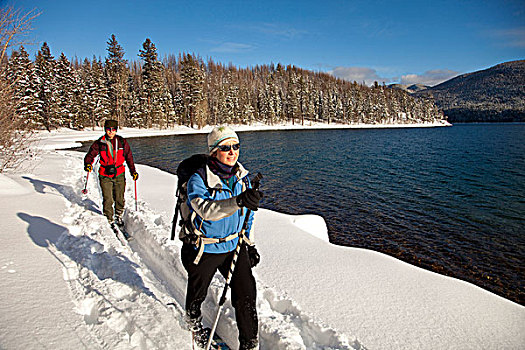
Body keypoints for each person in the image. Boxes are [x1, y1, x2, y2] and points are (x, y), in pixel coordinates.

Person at [181, 126, 263, 350]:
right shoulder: (198, 180)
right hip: (205, 247)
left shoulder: (241, 178)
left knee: (246, 296)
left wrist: (250, 244)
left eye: (236, 146)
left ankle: (249, 344)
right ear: (213, 152)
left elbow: (248, 216)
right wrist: (238, 201)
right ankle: (194, 323)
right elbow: (206, 210)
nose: (232, 152)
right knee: (198, 293)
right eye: (225, 148)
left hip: (234, 246)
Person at [84, 119, 139, 226]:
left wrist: (133, 171)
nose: (111, 131)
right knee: (108, 198)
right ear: (105, 129)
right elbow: (90, 155)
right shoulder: (100, 143)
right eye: (108, 129)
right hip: (105, 174)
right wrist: (88, 164)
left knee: (119, 197)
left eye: (113, 129)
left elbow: (129, 157)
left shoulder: (122, 142)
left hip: (119, 172)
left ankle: (118, 215)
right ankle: (109, 218)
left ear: (116, 130)